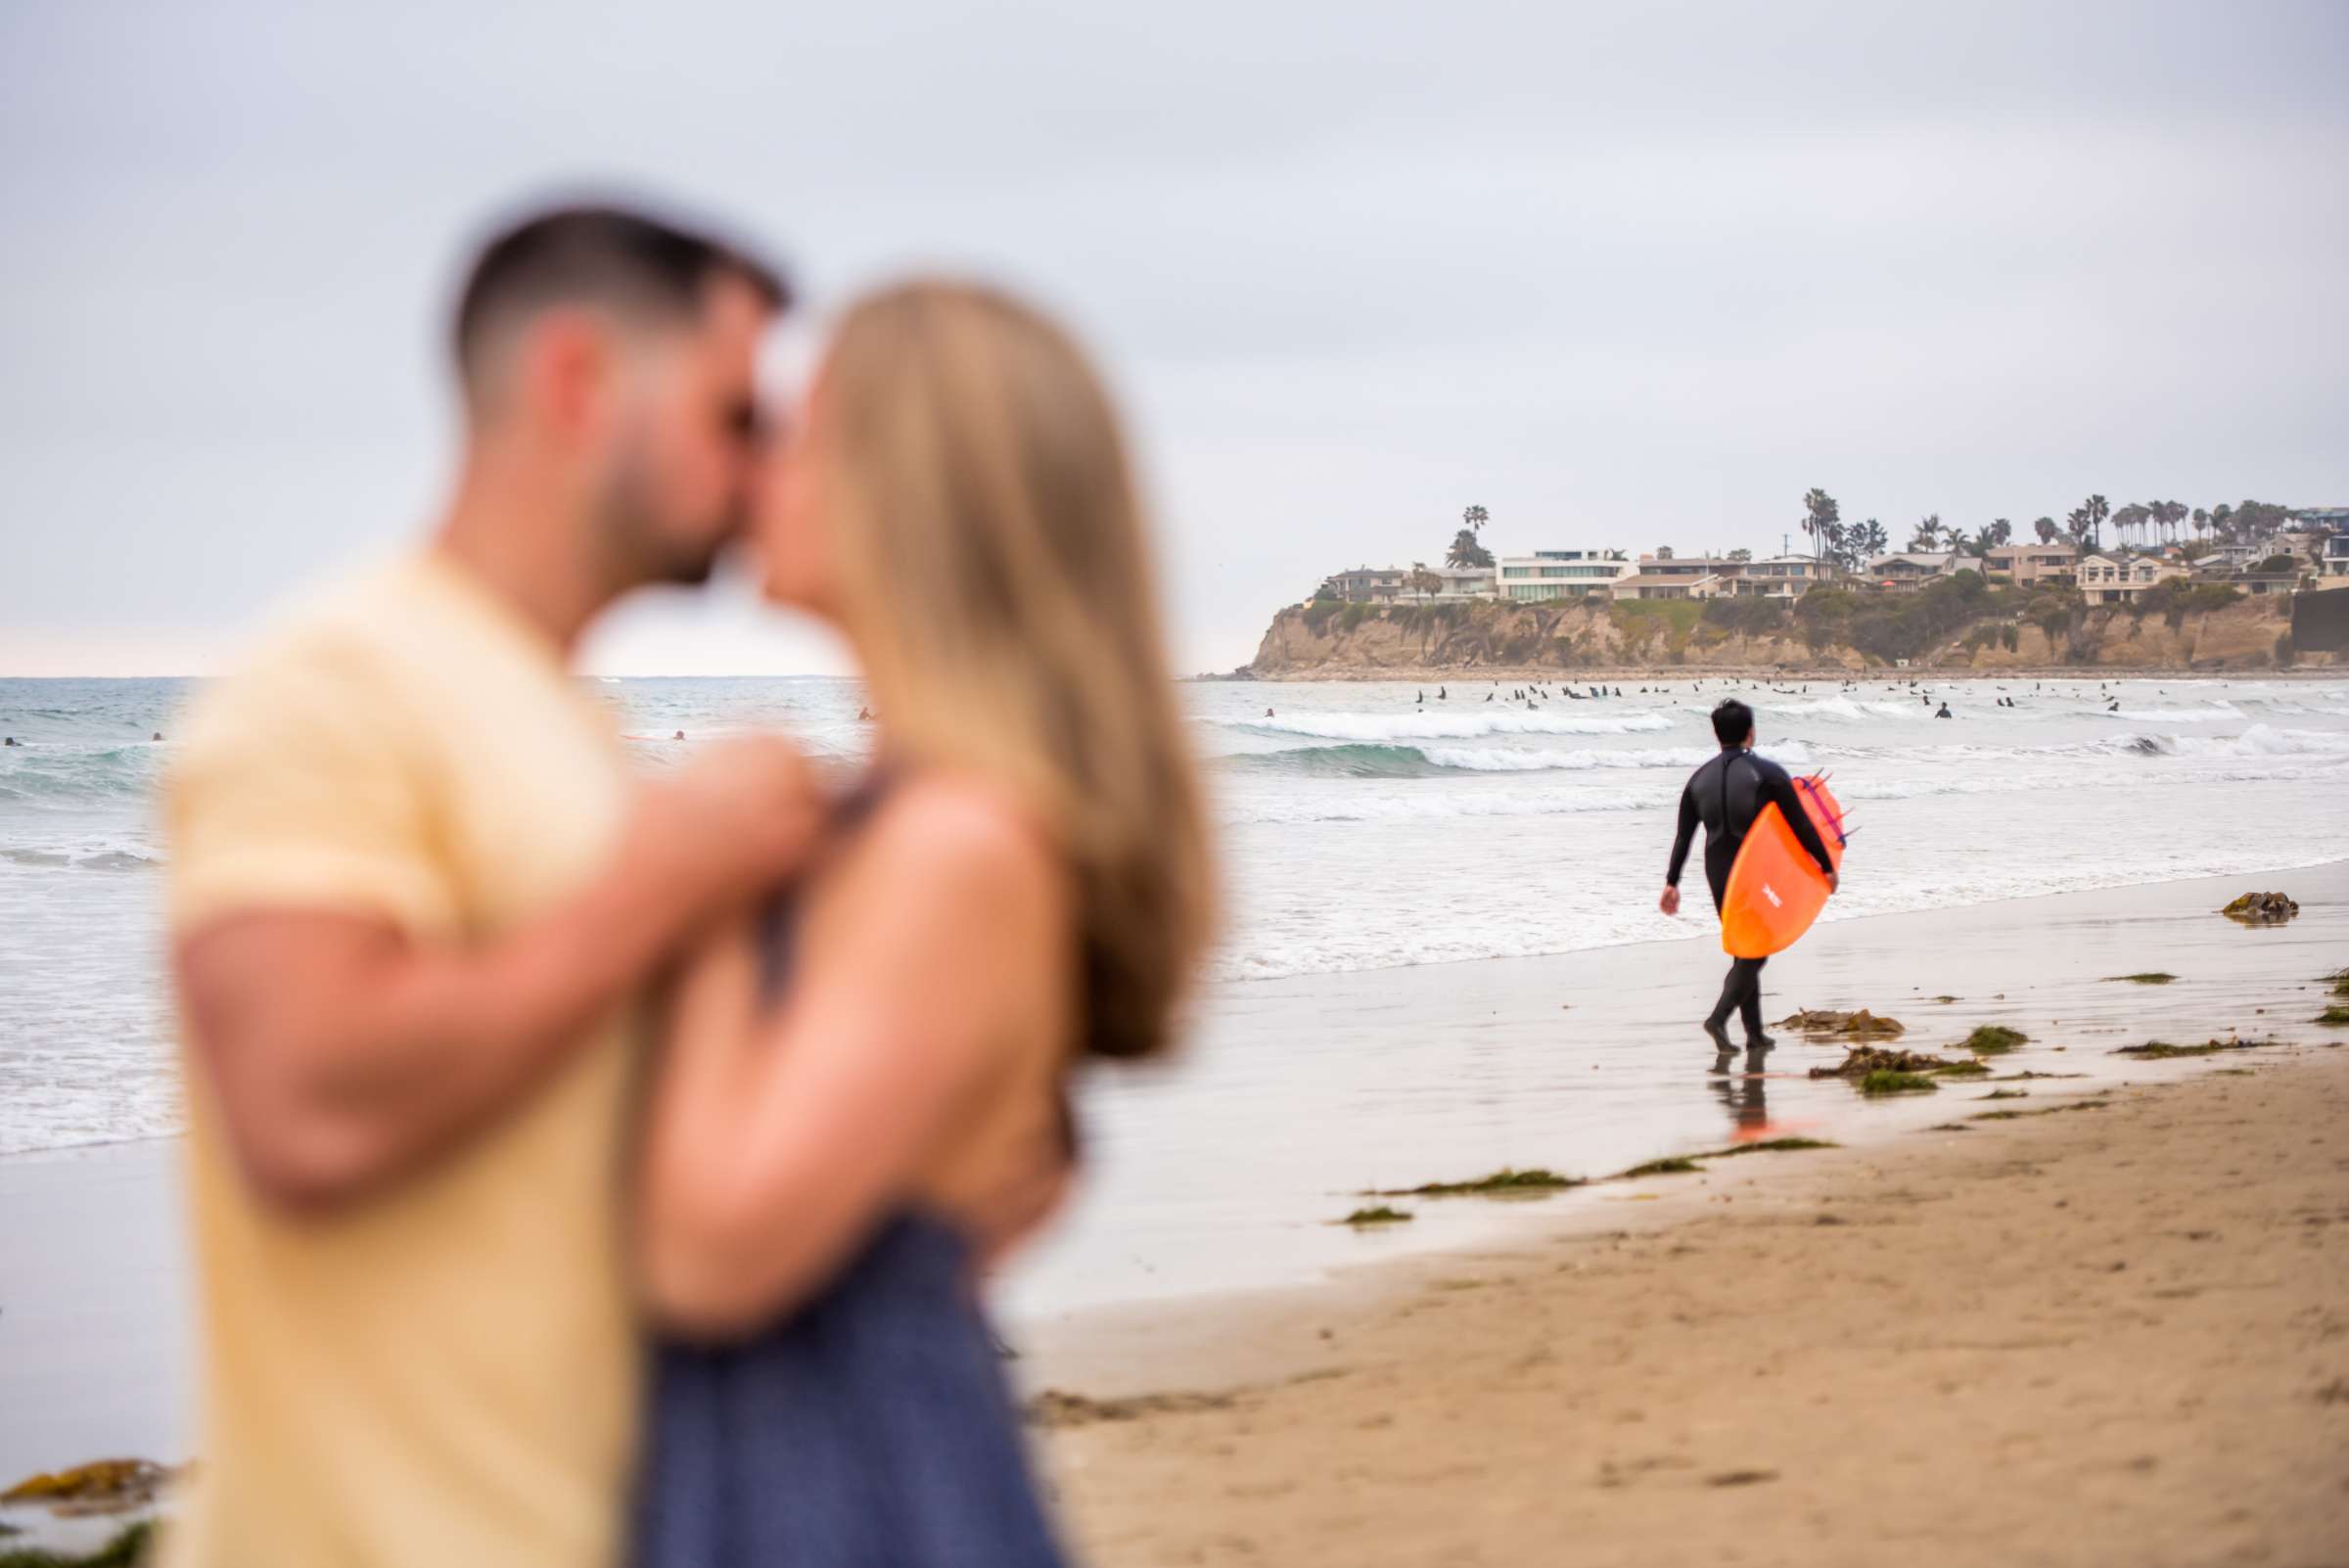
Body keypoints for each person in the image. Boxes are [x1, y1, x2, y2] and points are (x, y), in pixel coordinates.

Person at [161, 205, 822, 1568]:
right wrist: (661, 887)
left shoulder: (560, 723)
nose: (761, 464)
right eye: (731, 410)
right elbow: (302, 1103)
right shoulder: (334, 683)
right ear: (580, 382)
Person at [631, 281, 1214, 1565]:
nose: (756, 462)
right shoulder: (905, 819)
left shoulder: (955, 842)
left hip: (841, 1484)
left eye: (800, 430)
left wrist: (702, 896)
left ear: (906, 489)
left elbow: (714, 1250)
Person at [1660, 699, 1836, 1052]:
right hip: (1754, 869)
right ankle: (1719, 1018)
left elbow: (1684, 836)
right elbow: (1799, 823)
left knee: (1745, 946)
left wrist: (1672, 882)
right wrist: (1826, 865)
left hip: (1718, 870)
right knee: (1755, 949)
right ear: (1751, 731)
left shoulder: (1698, 779)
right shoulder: (1768, 774)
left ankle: (1754, 1034)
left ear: (1715, 733)